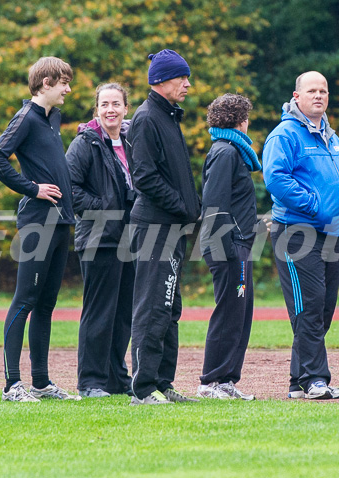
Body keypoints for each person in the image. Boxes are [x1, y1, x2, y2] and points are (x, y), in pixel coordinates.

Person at [0, 56, 80, 402]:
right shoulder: (26, 117)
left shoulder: (53, 118)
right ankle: (12, 385)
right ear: (46, 83)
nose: (69, 89)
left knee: (46, 304)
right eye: (64, 82)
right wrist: (32, 188)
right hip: (38, 221)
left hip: (60, 222)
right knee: (25, 300)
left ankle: (41, 382)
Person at [262, 71, 339, 400]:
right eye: (312, 91)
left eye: (324, 91)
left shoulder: (332, 138)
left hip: (331, 232)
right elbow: (275, 178)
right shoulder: (285, 134)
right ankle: (316, 378)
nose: (319, 96)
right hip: (297, 230)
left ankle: (298, 381)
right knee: (309, 305)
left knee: (324, 307)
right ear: (297, 96)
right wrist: (314, 206)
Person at [127, 49, 201, 405]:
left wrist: (190, 209)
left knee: (170, 307)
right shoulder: (146, 118)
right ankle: (142, 390)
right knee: (152, 306)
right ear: (160, 81)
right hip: (155, 226)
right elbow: (144, 177)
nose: (187, 84)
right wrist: (184, 208)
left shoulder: (169, 117)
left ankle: (163, 383)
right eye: (181, 77)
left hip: (172, 227)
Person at [66, 83, 135, 398]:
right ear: (96, 109)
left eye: (116, 104)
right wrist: (106, 209)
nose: (111, 110)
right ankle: (91, 382)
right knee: (99, 312)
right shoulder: (85, 143)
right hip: (99, 238)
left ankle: (116, 377)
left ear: (125, 108)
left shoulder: (132, 141)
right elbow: (69, 188)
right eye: (105, 104)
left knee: (123, 313)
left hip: (130, 238)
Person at [196, 94, 261, 401]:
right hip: (228, 246)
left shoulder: (234, 151)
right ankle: (210, 382)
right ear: (240, 120)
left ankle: (227, 381)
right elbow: (215, 204)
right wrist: (229, 245)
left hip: (239, 244)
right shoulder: (225, 152)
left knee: (240, 313)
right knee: (228, 312)